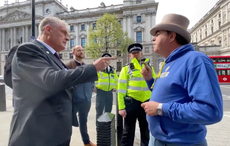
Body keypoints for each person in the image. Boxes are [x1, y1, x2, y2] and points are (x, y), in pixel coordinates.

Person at [8, 17, 115, 146]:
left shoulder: (52, 56)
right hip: (37, 135)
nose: (68, 38)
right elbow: (51, 79)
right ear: (48, 30)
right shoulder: (28, 49)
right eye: (63, 32)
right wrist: (93, 68)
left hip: (57, 133)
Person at [141, 13, 223, 146]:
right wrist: (150, 80)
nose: (153, 38)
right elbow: (169, 93)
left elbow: (210, 111)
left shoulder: (196, 60)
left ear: (172, 36)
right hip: (158, 139)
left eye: (157, 34)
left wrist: (161, 108)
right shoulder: (167, 62)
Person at [117, 43, 156, 146]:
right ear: (130, 56)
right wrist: (121, 107)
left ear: (141, 53)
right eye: (133, 53)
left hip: (147, 102)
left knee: (146, 131)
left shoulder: (149, 67)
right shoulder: (126, 69)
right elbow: (121, 90)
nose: (135, 54)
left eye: (137, 52)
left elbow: (155, 85)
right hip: (132, 103)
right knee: (128, 132)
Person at [65, 45, 96, 146]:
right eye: (79, 50)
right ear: (73, 53)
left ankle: (86, 142)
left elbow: (91, 82)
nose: (81, 52)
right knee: (67, 124)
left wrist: (89, 92)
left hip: (86, 100)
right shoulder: (68, 65)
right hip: (74, 101)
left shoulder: (86, 66)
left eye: (82, 50)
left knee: (84, 122)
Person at [95, 53, 118, 120]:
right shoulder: (98, 69)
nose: (106, 61)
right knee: (99, 112)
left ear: (110, 61)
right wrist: (95, 86)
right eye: (105, 59)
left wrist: (116, 88)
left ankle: (107, 128)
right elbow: (94, 79)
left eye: (108, 59)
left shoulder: (112, 70)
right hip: (100, 92)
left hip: (109, 92)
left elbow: (116, 80)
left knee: (108, 111)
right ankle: (99, 129)